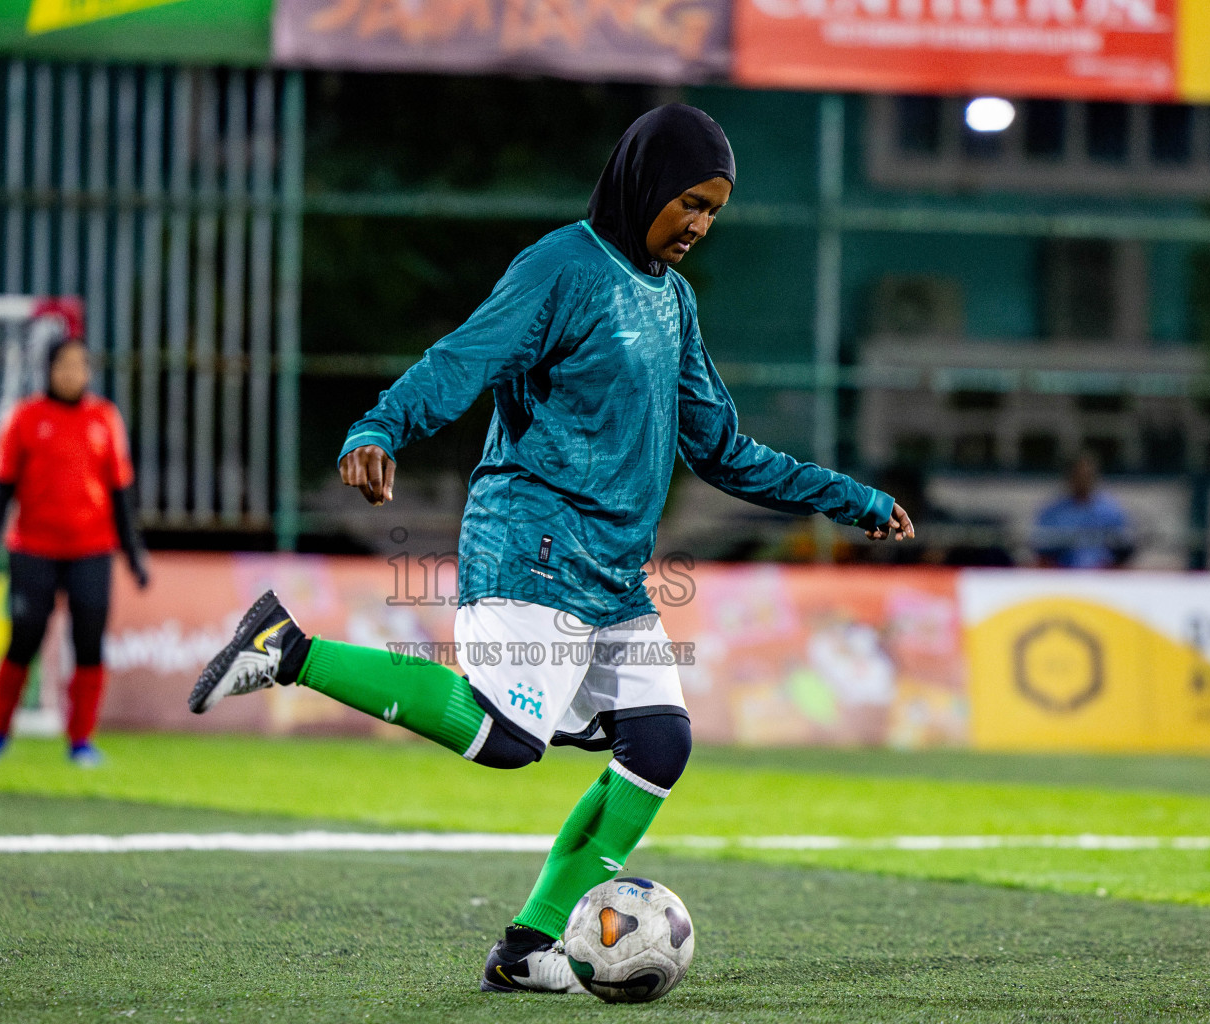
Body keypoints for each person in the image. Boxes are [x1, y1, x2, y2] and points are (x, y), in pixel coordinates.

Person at [188, 104, 913, 993]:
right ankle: (286, 649)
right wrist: (381, 424)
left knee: (659, 745)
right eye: (689, 202)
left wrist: (853, 499)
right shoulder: (561, 266)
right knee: (505, 736)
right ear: (644, 183)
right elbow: (466, 358)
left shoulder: (672, 301)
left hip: (612, 571)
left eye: (714, 210)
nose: (700, 225)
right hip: (528, 538)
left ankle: (528, 947)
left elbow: (722, 449)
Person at [0, 337, 149, 767]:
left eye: (79, 365)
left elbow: (120, 492)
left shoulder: (104, 418)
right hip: (33, 548)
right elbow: (2, 487)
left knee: (88, 644)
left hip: (91, 550)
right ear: (49, 370)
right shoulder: (25, 417)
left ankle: (81, 742)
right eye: (63, 365)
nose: (71, 373)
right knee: (24, 637)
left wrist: (133, 554)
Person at [1031, 451, 1134, 568]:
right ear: (1070, 477)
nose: (1083, 480)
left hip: (1104, 577)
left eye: (1087, 475)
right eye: (1078, 476)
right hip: (1062, 577)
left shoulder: (1111, 511)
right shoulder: (1052, 512)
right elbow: (1041, 549)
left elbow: (1125, 547)